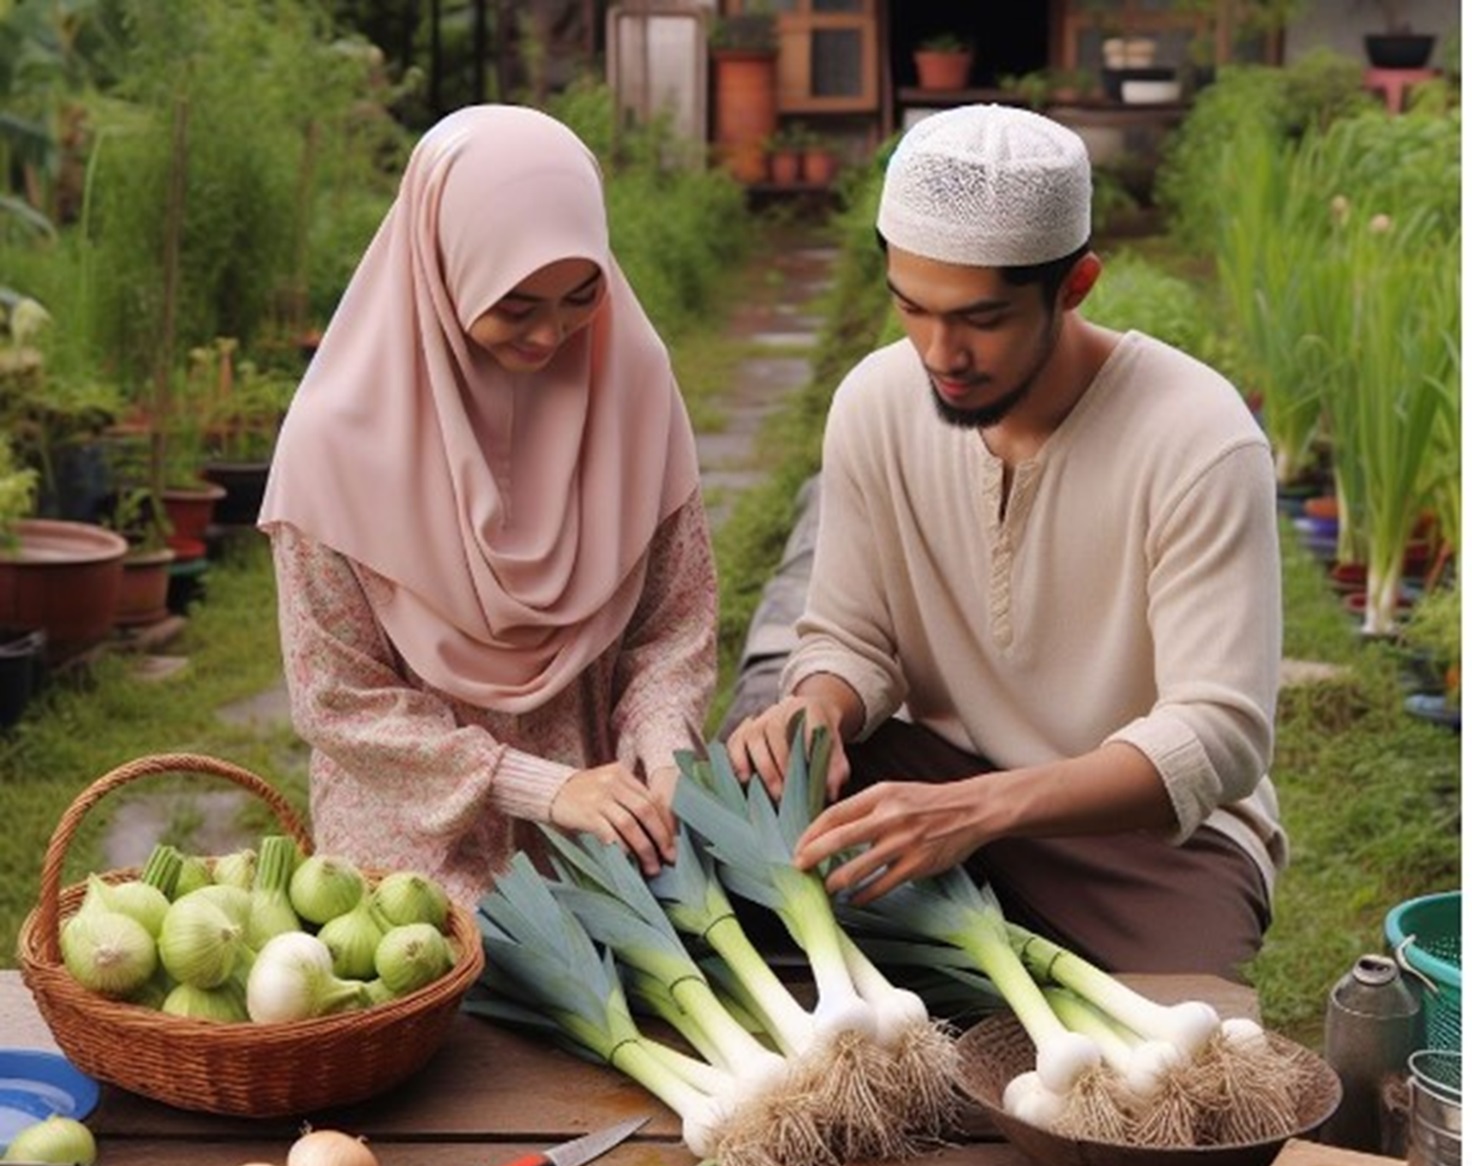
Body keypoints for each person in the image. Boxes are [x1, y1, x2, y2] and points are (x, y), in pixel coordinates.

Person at [724, 104, 1286, 979]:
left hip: (1148, 843)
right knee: (738, 881)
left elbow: (1217, 735)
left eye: (981, 319)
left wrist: (981, 811)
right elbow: (849, 636)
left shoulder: (1198, 439)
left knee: (1177, 1051)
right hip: (938, 784)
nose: (940, 352)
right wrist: (821, 706)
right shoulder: (875, 404)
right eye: (912, 307)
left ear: (1076, 284)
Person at [258, 105, 717, 907]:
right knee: (455, 981)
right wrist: (537, 786)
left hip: (609, 820)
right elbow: (339, 697)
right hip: (414, 834)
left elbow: (672, 623)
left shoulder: (631, 384)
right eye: (516, 305)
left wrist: (666, 747)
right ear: (440, 266)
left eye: (580, 297)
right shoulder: (337, 441)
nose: (551, 335)